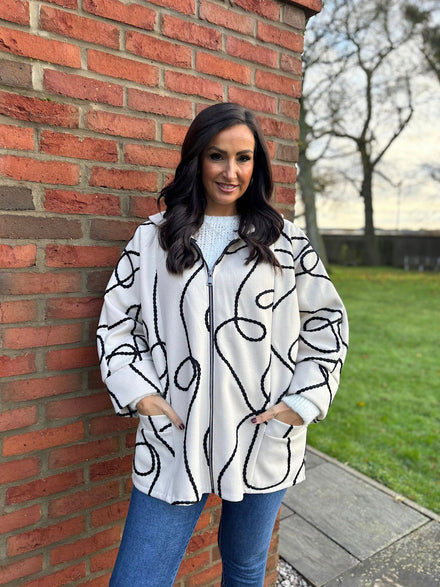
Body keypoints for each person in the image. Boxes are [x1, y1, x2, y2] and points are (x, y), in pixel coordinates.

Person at [97, 102, 348, 586]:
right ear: (197, 159)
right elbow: (115, 325)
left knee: (246, 567)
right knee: (137, 579)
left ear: (257, 165)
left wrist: (304, 401)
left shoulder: (286, 243)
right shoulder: (152, 239)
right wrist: (138, 393)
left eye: (243, 158)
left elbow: (328, 323)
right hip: (174, 438)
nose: (231, 172)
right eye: (217, 156)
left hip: (263, 434)